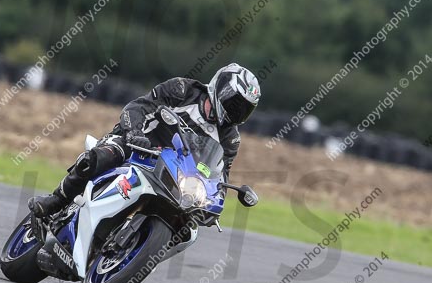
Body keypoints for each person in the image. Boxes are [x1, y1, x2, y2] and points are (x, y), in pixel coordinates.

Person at [29, 62, 261, 218]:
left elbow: (221, 174)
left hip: (174, 173)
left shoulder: (230, 139)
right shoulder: (183, 90)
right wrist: (134, 133)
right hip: (138, 144)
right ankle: (57, 201)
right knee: (101, 156)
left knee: (188, 227)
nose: (237, 113)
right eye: (235, 103)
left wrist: (215, 200)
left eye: (245, 110)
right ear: (221, 89)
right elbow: (138, 106)